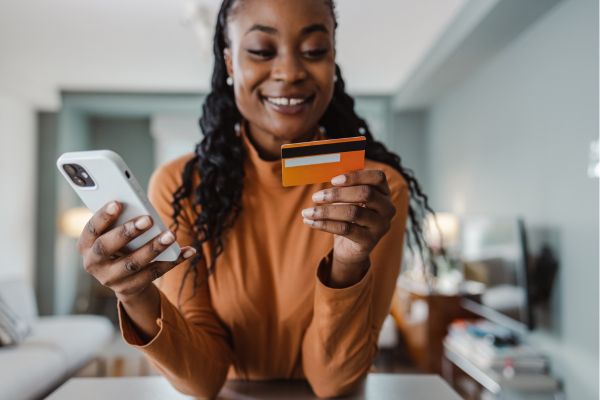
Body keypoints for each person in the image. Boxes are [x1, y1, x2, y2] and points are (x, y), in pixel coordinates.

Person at [77, 0, 432, 397]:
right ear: (229, 63)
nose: (290, 72)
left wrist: (349, 262)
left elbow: (332, 380)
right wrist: (134, 293)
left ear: (333, 61)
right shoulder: (181, 186)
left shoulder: (375, 190)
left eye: (314, 51)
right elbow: (203, 378)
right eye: (262, 51)